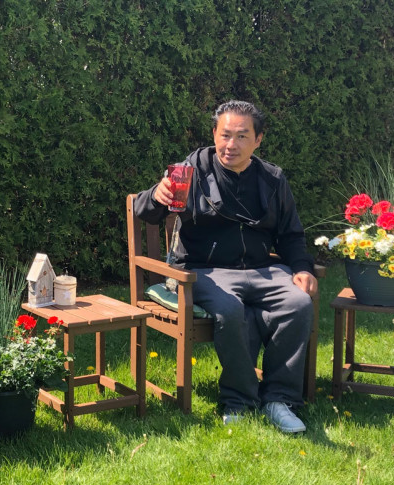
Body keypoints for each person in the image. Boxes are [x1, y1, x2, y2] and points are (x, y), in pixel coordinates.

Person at [133, 100, 317, 433]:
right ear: (214, 134)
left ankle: (280, 399)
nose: (230, 145)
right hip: (205, 271)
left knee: (298, 303)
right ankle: (239, 400)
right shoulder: (192, 170)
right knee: (231, 310)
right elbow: (147, 211)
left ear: (258, 140)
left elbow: (290, 234)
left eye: (242, 137)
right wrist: (156, 196)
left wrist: (302, 267)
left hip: (263, 269)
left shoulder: (272, 178)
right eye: (225, 135)